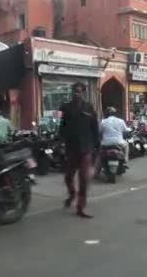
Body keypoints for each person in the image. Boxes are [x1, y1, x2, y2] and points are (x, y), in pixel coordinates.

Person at [59, 82, 99, 218]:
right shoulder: (66, 108)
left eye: (79, 91)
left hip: (85, 148)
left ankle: (81, 207)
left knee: (84, 180)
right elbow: (62, 128)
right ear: (72, 92)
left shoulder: (89, 107)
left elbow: (95, 128)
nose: (77, 93)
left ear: (83, 92)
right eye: (75, 91)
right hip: (71, 148)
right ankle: (72, 194)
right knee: (68, 177)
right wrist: (60, 142)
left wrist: (96, 147)